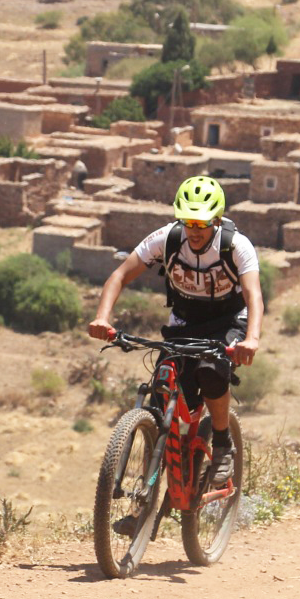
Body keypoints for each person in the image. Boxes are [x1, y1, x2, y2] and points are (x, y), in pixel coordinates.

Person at [87, 174, 264, 488]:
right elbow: (119, 276)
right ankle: (150, 484)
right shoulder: (167, 239)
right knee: (163, 386)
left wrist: (251, 339)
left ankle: (222, 444)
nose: (194, 231)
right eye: (188, 222)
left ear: (216, 220)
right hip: (185, 322)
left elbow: (253, 295)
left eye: (202, 224)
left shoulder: (236, 246)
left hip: (228, 322)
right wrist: (103, 319)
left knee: (210, 372)